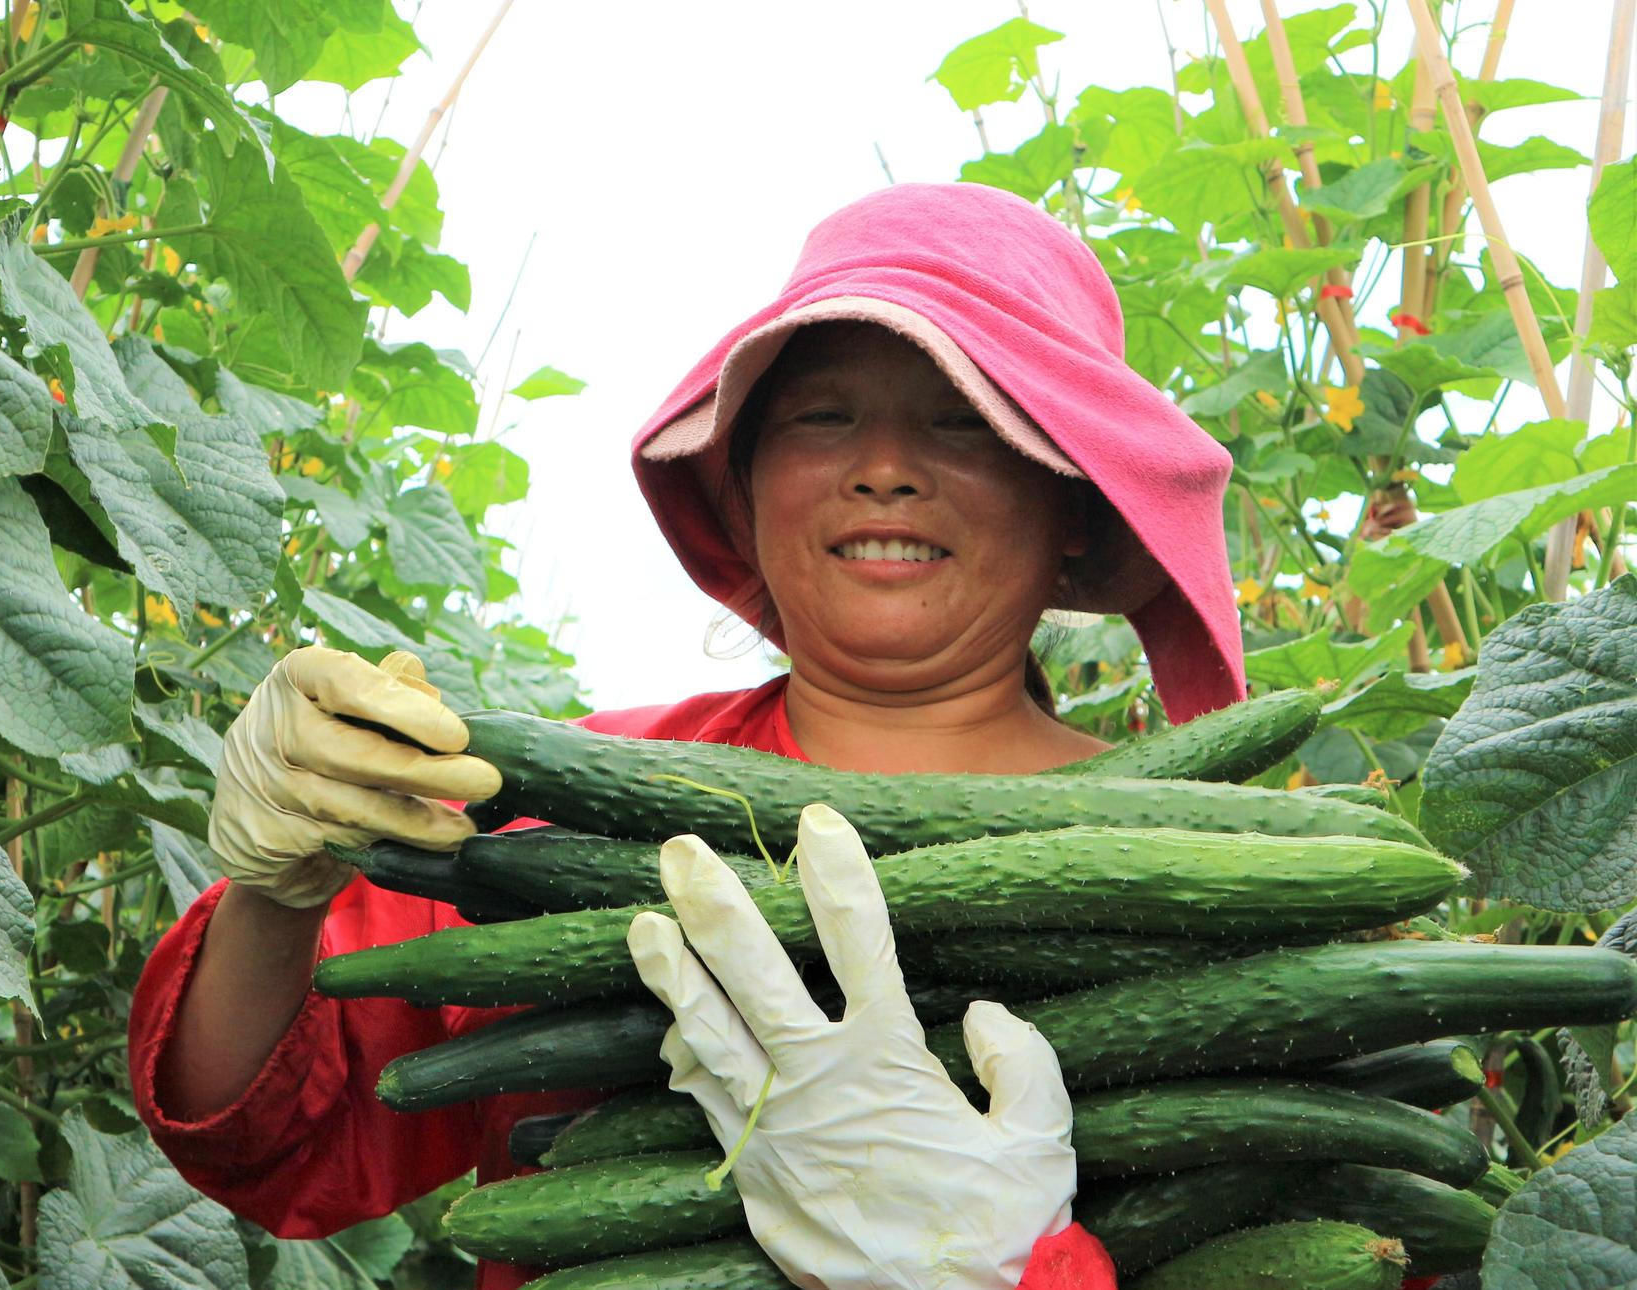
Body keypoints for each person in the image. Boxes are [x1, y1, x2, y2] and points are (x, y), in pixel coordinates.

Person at [127, 182, 1247, 1289]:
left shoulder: (1223, 879)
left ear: (1074, 505)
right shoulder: (542, 799)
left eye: (967, 420)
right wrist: (277, 893)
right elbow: (269, 1144)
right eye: (822, 416)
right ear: (740, 493)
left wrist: (1033, 1270)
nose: (884, 468)